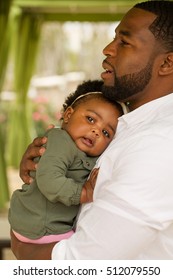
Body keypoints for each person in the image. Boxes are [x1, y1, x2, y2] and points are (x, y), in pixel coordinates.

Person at [11, 0, 173, 259]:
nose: (107, 49)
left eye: (125, 42)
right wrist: (43, 172)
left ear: (166, 64)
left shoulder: (160, 143)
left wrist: (21, 246)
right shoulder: (133, 126)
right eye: (113, 38)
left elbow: (81, 265)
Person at [8, 80, 123, 244]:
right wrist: (83, 193)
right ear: (68, 115)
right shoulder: (60, 140)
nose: (96, 131)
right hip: (40, 225)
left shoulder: (88, 153)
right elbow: (49, 179)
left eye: (106, 132)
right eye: (91, 119)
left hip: (46, 224)